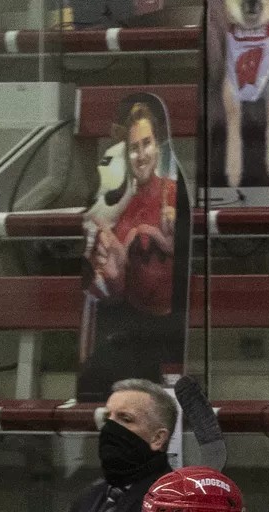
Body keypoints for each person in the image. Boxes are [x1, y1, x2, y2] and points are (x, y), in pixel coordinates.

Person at [76, 97, 184, 398]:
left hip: (173, 330)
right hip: (136, 330)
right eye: (134, 148)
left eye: (146, 144)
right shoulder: (122, 211)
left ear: (158, 145)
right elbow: (115, 293)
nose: (141, 155)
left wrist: (174, 238)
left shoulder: (175, 196)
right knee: (93, 377)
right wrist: (110, 275)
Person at [46, 381, 178, 512]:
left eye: (125, 418)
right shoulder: (89, 498)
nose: (110, 428)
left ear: (157, 439)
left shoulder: (173, 503)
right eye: (108, 417)